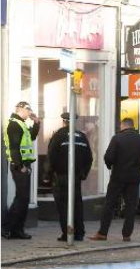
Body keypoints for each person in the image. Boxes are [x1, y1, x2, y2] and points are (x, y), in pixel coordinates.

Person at [90, 118, 140, 242]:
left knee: (109, 204)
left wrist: (110, 166)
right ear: (132, 126)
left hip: (118, 177)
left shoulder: (117, 138)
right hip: (134, 178)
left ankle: (102, 233)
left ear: (123, 126)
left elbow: (108, 157)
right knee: (131, 206)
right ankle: (126, 235)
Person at [47, 112, 93, 242]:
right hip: (76, 178)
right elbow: (89, 158)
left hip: (61, 177)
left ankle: (67, 234)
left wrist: (47, 175)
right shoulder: (82, 137)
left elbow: (51, 156)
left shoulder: (59, 136)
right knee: (77, 205)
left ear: (64, 122)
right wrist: (83, 174)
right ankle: (79, 233)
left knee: (63, 206)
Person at [1, 102, 40, 240]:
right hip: (20, 166)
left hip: (25, 165)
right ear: (20, 109)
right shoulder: (14, 124)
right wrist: (19, 166)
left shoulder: (22, 124)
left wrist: (36, 123)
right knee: (21, 198)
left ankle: (17, 230)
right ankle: (7, 227)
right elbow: (14, 147)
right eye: (27, 110)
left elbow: (32, 137)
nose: (29, 113)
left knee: (23, 199)